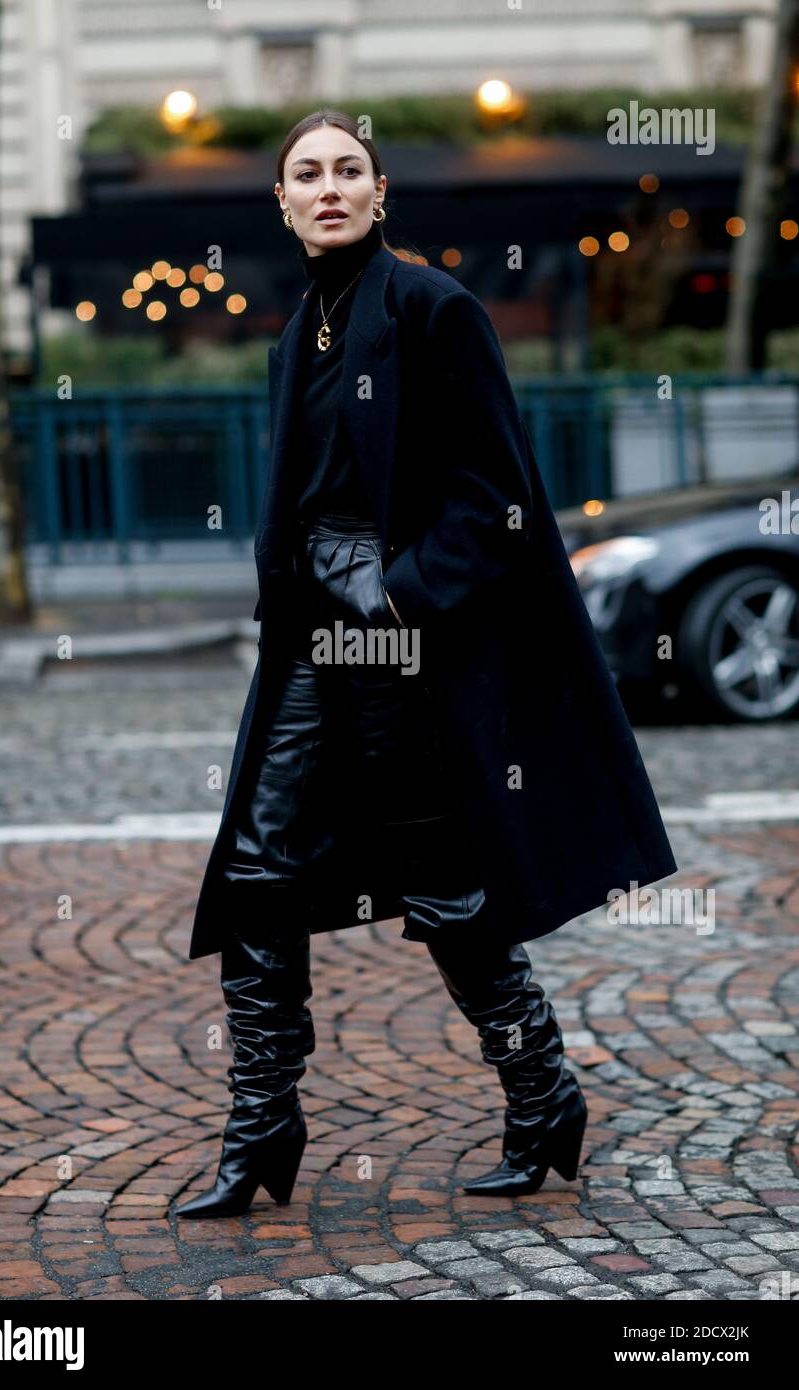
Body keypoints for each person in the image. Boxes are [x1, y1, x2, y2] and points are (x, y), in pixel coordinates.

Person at [173, 109, 677, 1220]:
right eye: (306, 173)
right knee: (257, 870)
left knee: (448, 890)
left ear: (381, 192)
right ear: (283, 202)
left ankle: (540, 1095)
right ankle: (263, 1125)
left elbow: (496, 496)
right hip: (311, 638)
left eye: (348, 169)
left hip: (399, 641)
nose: (328, 187)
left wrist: (389, 586)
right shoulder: (293, 330)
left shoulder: (432, 308)